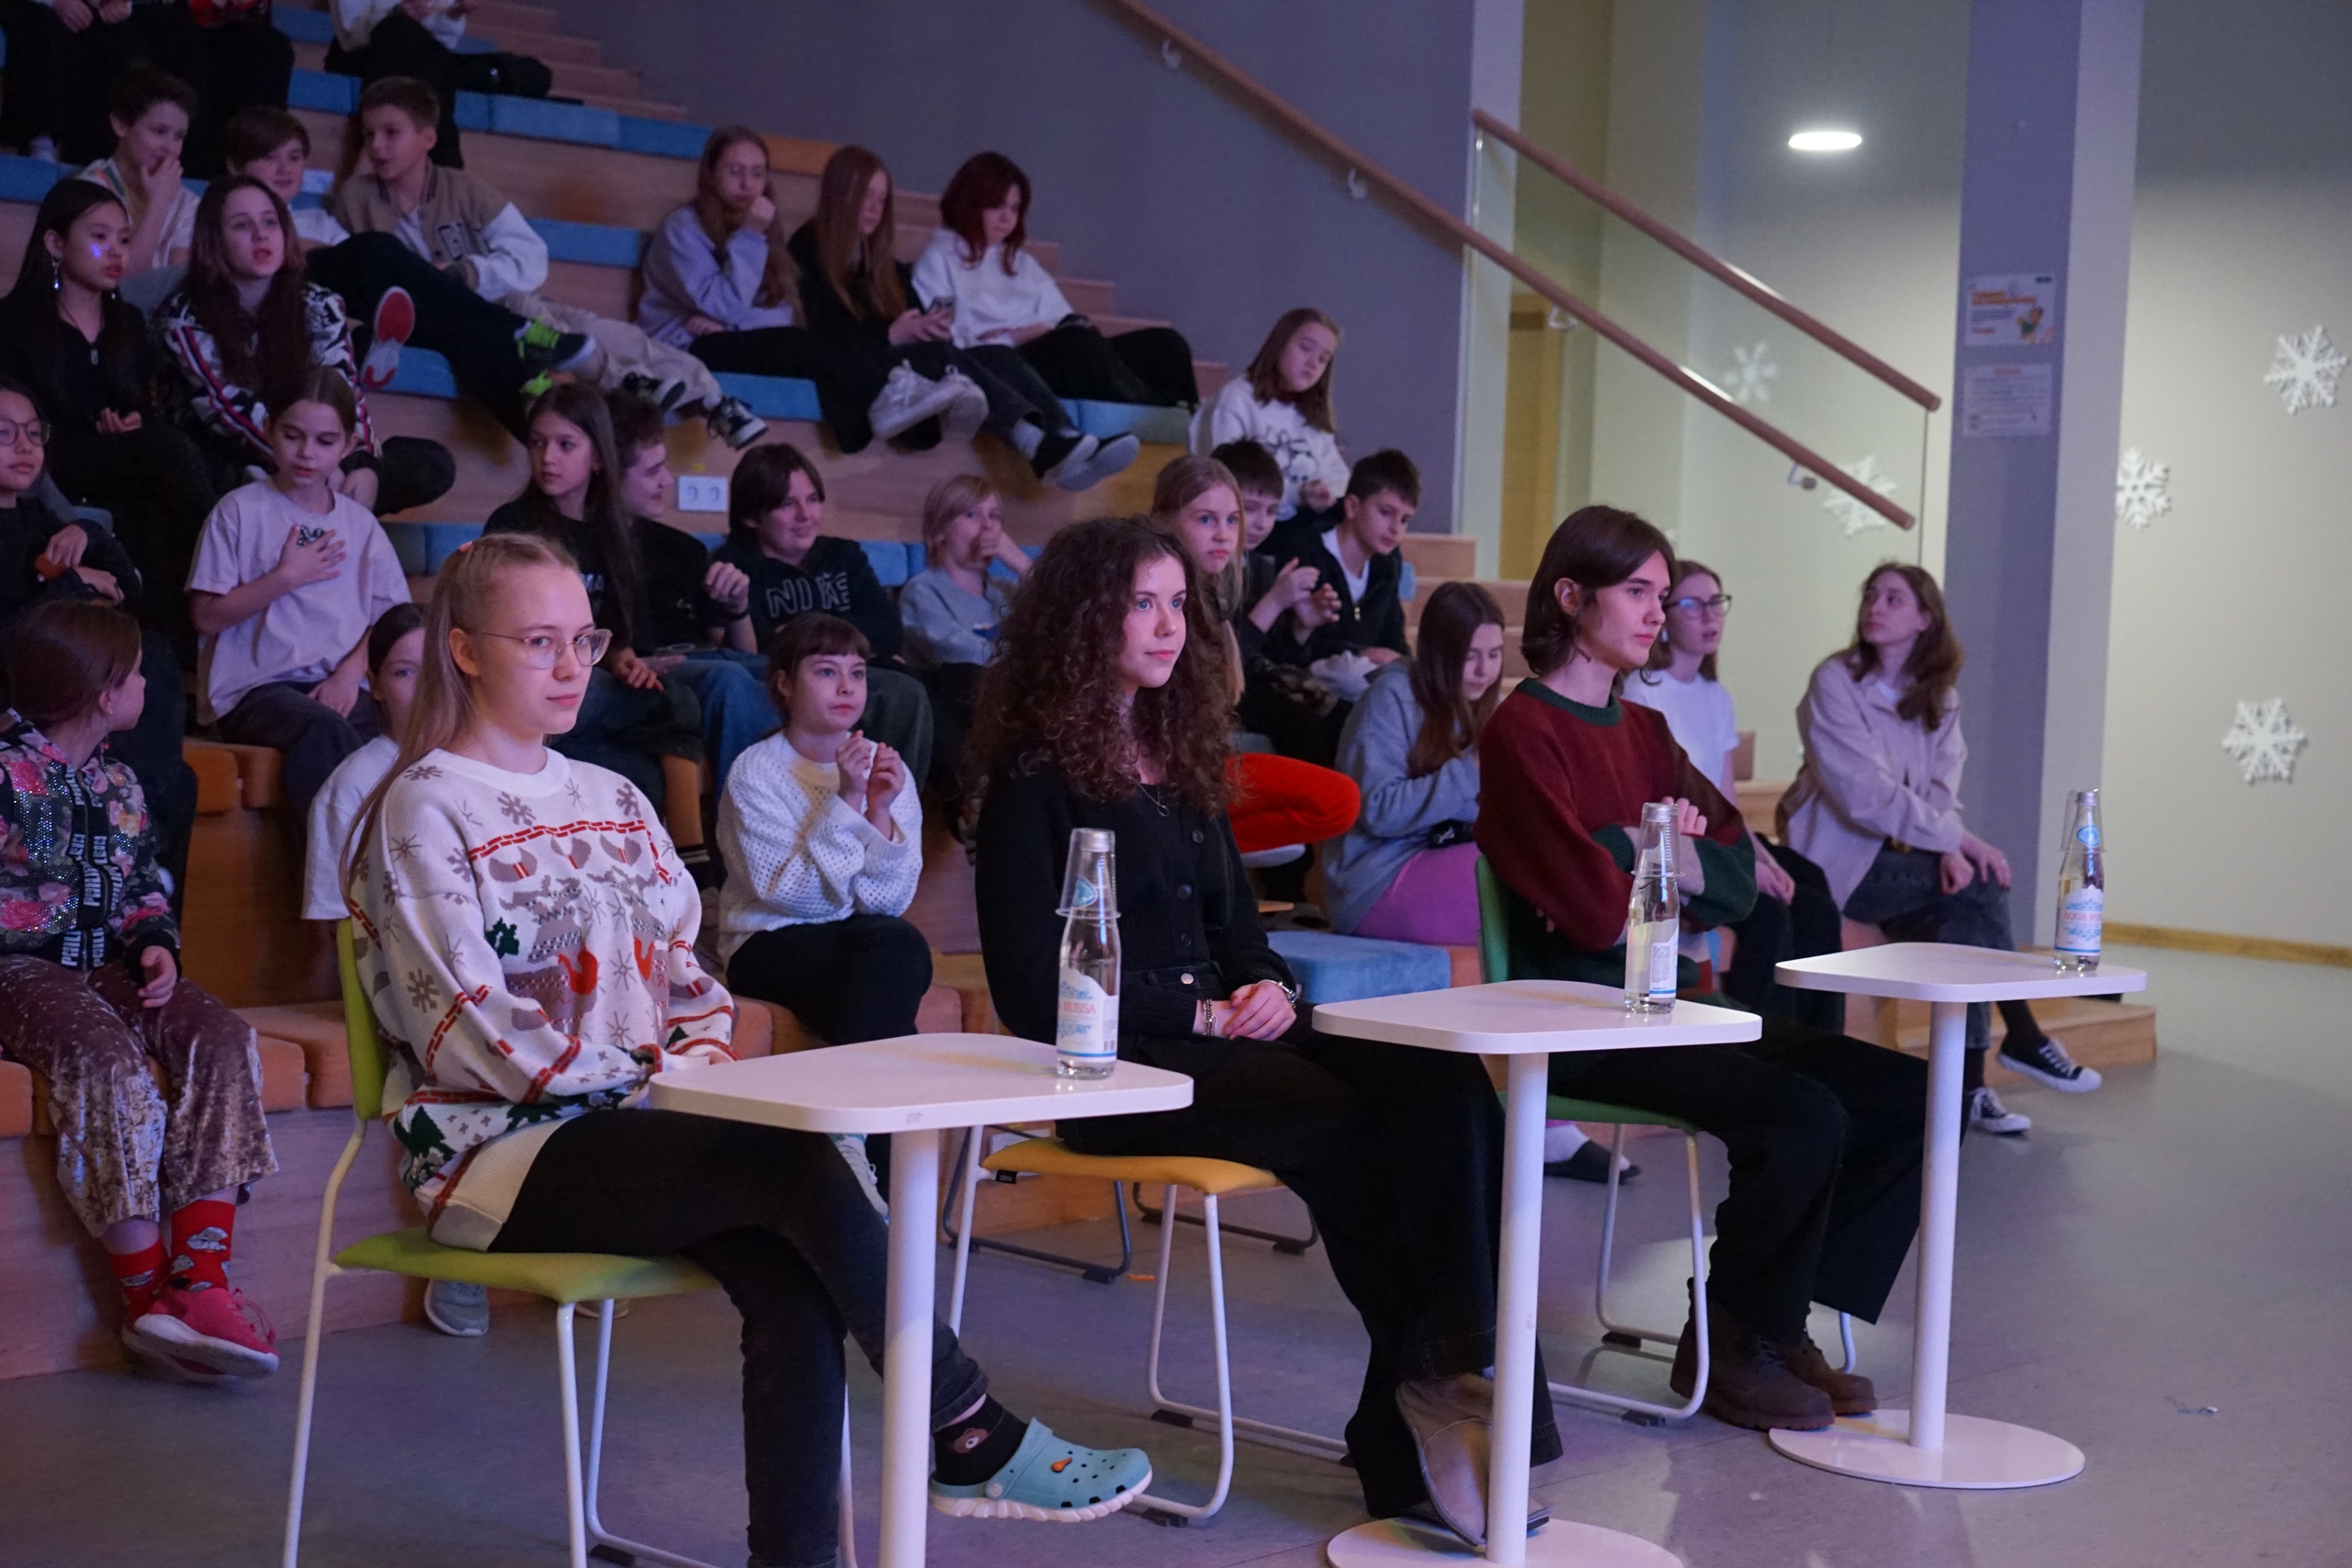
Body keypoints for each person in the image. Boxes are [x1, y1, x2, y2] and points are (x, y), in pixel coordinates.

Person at [348, 530, 1153, 1566]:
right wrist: (654, 1081)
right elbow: (467, 1024)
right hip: (498, 1151)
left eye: (583, 639)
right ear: (463, 650)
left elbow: (688, 980)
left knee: (794, 1264)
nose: (570, 666)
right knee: (794, 1168)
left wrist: (692, 1072)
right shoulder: (423, 806)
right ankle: (965, 1427)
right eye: (537, 642)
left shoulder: (614, 798)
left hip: (642, 1128)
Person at [971, 515, 1556, 1547]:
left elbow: (1244, 934)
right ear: (1083, 619)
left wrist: (1270, 988)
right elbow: (1028, 990)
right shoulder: (1032, 778)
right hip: (1117, 1066)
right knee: (1358, 1124)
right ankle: (1432, 1396)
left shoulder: (1181, 759)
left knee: (1447, 1084)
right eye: (1141, 603)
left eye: (1176, 603)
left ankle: (1443, 1376)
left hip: (1231, 1036)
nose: (1169, 625)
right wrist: (1198, 1010)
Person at [1475, 503, 1927, 1432]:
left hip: (1672, 1005)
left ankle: (1771, 1322)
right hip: (1576, 1018)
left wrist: (1654, 855)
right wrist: (1659, 853)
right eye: (1637, 591)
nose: (1657, 611)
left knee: (1908, 1094)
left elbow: (1738, 880)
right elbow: (1592, 910)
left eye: (1661, 592)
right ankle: (1738, 1340)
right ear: (1572, 596)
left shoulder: (1645, 731)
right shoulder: (1522, 730)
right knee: (1803, 1115)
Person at [0, 599, 278, 1384]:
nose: (149, 684)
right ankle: (146, 1296)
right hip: (18, 968)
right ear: (102, 692)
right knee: (108, 1060)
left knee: (221, 1036)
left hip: (105, 964)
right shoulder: (9, 774)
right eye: (135, 673)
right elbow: (32, 887)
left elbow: (139, 887)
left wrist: (154, 943)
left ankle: (201, 1282)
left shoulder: (119, 780)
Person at [1780, 563, 2103, 1134]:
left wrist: (1950, 849)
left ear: (1924, 619)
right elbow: (1864, 795)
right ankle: (2022, 1035)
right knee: (1982, 884)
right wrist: (1956, 840)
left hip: (1906, 859)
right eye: (1871, 596)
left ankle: (1970, 1090)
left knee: (1965, 918)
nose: (1875, 607)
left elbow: (1940, 791)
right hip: (1837, 863)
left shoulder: (1939, 697)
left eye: (1893, 599)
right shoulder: (1835, 680)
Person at [333, 78, 763, 448]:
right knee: (528, 315)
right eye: (369, 135)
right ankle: (624, 380)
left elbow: (531, 256)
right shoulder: (355, 198)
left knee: (596, 327)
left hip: (502, 300)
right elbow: (344, 263)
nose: (377, 146)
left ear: (427, 138)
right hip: (458, 322)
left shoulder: (462, 189)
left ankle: (711, 397)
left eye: (391, 132)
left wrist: (471, 272)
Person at [223, 100, 589, 439]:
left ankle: (535, 431)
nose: (285, 169)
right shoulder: (218, 217)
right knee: (376, 248)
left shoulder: (317, 220)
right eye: (269, 158)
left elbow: (357, 271)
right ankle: (515, 332)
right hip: (286, 305)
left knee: (452, 333)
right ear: (236, 166)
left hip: (347, 307)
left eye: (294, 157)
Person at [789, 144, 1135, 490]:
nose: (875, 208)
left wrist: (926, 326)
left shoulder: (879, 263)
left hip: (902, 357)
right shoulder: (809, 247)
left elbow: (908, 316)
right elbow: (825, 337)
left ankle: (1063, 436)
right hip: (865, 368)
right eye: (866, 195)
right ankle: (1040, 444)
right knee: (950, 356)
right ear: (841, 193)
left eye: (882, 199)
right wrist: (892, 335)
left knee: (997, 355)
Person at [1623, 559, 1844, 1031]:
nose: (1710, 616)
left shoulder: (1715, 695)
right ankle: (1762, 1040)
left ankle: (1820, 1041)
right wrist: (1746, 868)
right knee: (1771, 914)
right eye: (1692, 604)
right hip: (1683, 842)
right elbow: (1661, 801)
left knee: (1815, 894)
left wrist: (1762, 856)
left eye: (1716, 603)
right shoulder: (1644, 690)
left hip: (1721, 834)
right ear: (1665, 617)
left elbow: (1728, 802)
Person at [153, 175, 457, 514]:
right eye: (242, 225)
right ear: (215, 241)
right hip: (235, 452)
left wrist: (362, 464)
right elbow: (233, 413)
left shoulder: (319, 303)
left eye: (270, 222)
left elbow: (343, 390)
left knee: (430, 464)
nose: (261, 234)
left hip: (317, 450)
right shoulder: (184, 318)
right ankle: (321, 509)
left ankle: (333, 508)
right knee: (210, 468)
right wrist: (314, 466)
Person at [639, 125, 954, 453]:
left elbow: (784, 308)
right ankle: (884, 396)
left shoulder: (762, 229)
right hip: (683, 345)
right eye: (735, 171)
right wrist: (749, 238)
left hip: (725, 336)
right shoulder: (683, 229)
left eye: (757, 174)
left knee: (803, 342)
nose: (748, 184)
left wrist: (733, 328)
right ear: (711, 175)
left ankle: (904, 397)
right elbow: (724, 305)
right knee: (804, 347)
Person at [187, 367, 411, 827]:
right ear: (269, 429)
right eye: (292, 436)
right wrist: (285, 577)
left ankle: (397, 861)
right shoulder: (239, 510)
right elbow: (205, 616)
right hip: (256, 690)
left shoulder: (360, 525)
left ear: (348, 446)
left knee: (412, 728)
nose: (307, 453)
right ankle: (336, 866)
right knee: (322, 727)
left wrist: (349, 674)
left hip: (341, 684)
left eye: (325, 442)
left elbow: (393, 621)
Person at [0, 179, 216, 652]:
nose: (116, 251)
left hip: (121, 464)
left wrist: (131, 424)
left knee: (152, 509)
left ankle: (160, 650)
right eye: (99, 237)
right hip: (52, 462)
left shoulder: (128, 323)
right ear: (55, 243)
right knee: (170, 450)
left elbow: (143, 409)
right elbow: (18, 416)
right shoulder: (15, 323)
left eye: (123, 239)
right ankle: (227, 553)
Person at [0, 375, 197, 891]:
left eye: (33, 432)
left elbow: (129, 585)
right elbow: (11, 643)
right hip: (18, 705)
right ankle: (125, 869)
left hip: (69, 702)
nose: (25, 445)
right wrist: (72, 584)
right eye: (4, 433)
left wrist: (84, 531)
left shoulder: (39, 516)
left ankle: (146, 889)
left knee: (181, 782)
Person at [481, 383, 703, 807]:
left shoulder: (613, 532)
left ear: (598, 458)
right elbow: (502, 626)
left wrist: (622, 657)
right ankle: (694, 848)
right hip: (533, 676)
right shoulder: (512, 524)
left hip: (592, 674)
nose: (547, 458)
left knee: (641, 773)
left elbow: (616, 627)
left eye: (565, 445)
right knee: (676, 702)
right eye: (538, 442)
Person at [717, 612, 929, 1046]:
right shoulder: (755, 771)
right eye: (827, 672)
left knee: (902, 944)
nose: (847, 687)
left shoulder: (888, 769)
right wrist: (847, 800)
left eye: (858, 673)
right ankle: (888, 1077)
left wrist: (879, 811)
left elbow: (887, 904)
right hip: (767, 938)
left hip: (857, 937)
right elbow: (796, 898)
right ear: (785, 684)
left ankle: (860, 1079)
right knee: (876, 969)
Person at [1149, 454, 1360, 870]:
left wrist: (1301, 627)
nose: (1224, 534)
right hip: (1172, 773)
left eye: (1232, 520)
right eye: (1206, 519)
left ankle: (1196, 850)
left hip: (1203, 762)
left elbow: (1252, 671)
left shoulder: (1220, 591)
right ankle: (1183, 847)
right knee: (1336, 794)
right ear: (1163, 521)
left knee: (1340, 797)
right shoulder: (1159, 598)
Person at [714, 441, 933, 785]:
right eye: (787, 504)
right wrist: (848, 638)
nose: (806, 515)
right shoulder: (733, 567)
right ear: (751, 516)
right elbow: (755, 652)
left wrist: (799, 631)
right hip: (792, 687)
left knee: (912, 690)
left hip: (860, 678)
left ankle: (894, 806)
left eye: (813, 499)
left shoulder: (843, 555)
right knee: (899, 690)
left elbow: (888, 629)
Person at [912, 151, 1196, 408]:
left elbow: (1063, 320)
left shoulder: (1021, 262)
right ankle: (1160, 409)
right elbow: (950, 343)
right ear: (970, 202)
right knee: (1075, 344)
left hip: (1056, 346)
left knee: (1166, 345)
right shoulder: (939, 257)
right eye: (997, 206)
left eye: (1014, 208)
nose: (1006, 218)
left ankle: (1193, 427)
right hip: (1007, 364)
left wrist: (1032, 331)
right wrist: (1017, 336)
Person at [605, 390, 780, 791]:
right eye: (653, 471)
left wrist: (737, 608)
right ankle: (753, 821)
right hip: (653, 671)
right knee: (729, 679)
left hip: (708, 658)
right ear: (610, 474)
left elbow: (740, 651)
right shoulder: (587, 547)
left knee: (829, 675)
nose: (667, 480)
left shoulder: (683, 549)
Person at [899, 473, 1023, 794]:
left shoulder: (1007, 591)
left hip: (1011, 704)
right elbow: (955, 652)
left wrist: (1021, 562)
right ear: (939, 530)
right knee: (965, 674)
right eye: (972, 515)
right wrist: (1026, 662)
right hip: (959, 710)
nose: (988, 527)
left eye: (994, 516)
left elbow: (1070, 620)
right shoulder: (922, 591)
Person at [323, 0, 552, 170]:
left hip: (425, 57)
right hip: (364, 53)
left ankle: (442, 162)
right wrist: (397, 13)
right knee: (398, 29)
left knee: (533, 74)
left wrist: (453, 14)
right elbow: (350, 35)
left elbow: (443, 42)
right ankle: (445, 162)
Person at [1191, 308, 1350, 524]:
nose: (1313, 363)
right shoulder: (1236, 400)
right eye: (1305, 348)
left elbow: (1338, 476)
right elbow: (1228, 478)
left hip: (1300, 520)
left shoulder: (1313, 416)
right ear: (1280, 344)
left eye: (1323, 359)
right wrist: (1297, 495)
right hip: (1245, 520)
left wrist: (1321, 491)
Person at [75, 63, 199, 284]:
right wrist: (159, 203)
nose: (170, 147)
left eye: (179, 136)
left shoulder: (186, 202)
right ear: (121, 125)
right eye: (159, 131)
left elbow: (179, 285)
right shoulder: (91, 190)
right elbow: (122, 281)